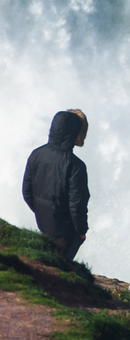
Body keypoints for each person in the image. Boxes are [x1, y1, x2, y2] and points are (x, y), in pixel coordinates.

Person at [21, 110, 90, 263]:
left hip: (43, 224)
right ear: (74, 132)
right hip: (65, 233)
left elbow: (27, 192)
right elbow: (77, 204)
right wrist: (81, 231)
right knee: (59, 266)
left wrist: (43, 213)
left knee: (46, 263)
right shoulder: (75, 165)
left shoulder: (37, 154)